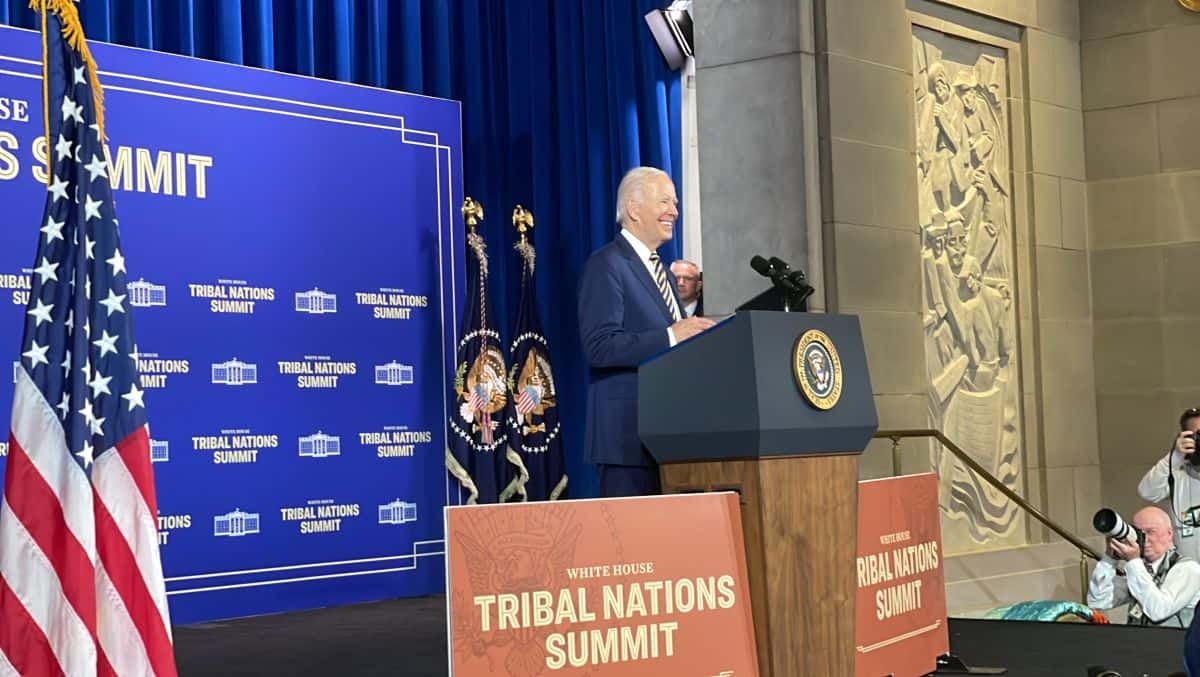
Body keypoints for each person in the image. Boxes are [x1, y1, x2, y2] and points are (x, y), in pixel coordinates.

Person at [577, 167, 714, 497]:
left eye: (676, 203)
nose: (675, 212)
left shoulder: (661, 272)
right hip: (627, 441)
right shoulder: (606, 264)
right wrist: (671, 335)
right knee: (632, 548)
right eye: (665, 201)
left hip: (669, 435)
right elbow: (600, 346)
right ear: (634, 209)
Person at [1086, 505, 1200, 628]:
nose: (1145, 539)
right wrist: (1110, 558)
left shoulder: (1188, 569)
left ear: (1169, 534)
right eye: (1139, 533)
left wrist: (1133, 561)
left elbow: (1158, 611)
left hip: (1173, 645)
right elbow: (1098, 601)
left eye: (1151, 532)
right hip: (1137, 643)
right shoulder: (1140, 568)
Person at [1139, 408, 1200, 563]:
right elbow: (1147, 491)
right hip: (1187, 579)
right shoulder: (1178, 478)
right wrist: (1174, 457)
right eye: (1197, 436)